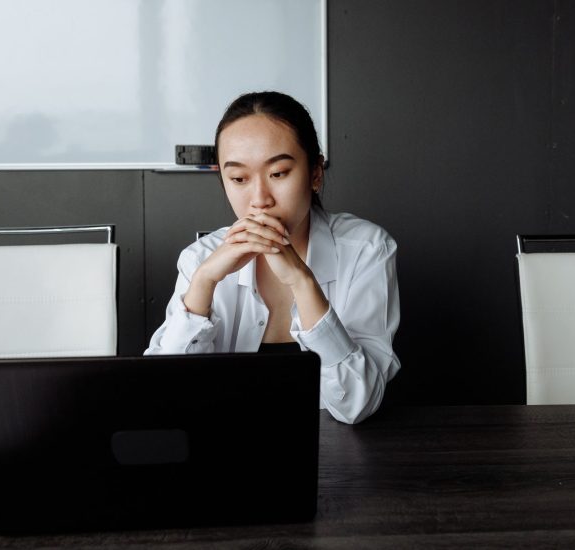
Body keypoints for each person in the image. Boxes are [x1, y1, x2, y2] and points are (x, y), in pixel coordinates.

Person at [145, 91, 400, 424]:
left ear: (315, 174)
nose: (259, 199)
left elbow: (356, 404)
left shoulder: (366, 249)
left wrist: (302, 280)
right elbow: (163, 397)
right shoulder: (200, 260)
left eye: (278, 173)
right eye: (238, 179)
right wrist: (204, 283)